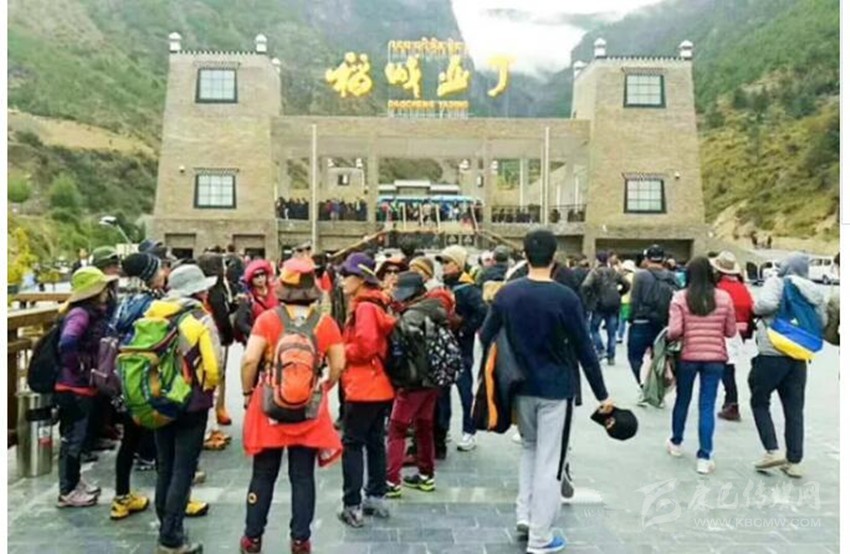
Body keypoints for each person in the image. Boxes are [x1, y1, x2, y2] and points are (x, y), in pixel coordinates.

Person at [480, 229, 612, 553]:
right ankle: (541, 536)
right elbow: (585, 348)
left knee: (529, 448)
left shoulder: (507, 294)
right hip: (556, 387)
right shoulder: (565, 297)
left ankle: (525, 515)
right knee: (551, 460)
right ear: (554, 258)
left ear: (524, 255)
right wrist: (602, 394)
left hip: (519, 386)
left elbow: (485, 335)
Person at [239, 259, 345, 554]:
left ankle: (252, 538)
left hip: (269, 406)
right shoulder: (325, 323)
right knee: (302, 476)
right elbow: (338, 364)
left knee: (263, 474)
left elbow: (249, 360)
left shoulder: (268, 320)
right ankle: (300, 540)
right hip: (308, 409)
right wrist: (323, 387)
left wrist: (247, 392)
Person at [146, 264, 221, 554]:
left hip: (158, 398)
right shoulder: (199, 318)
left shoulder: (153, 313)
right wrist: (209, 388)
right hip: (191, 401)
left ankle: (164, 523)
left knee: (165, 464)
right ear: (197, 291)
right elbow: (213, 366)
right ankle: (171, 537)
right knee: (184, 468)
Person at [749, 253, 826, 478]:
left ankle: (772, 450)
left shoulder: (777, 282)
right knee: (794, 408)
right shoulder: (814, 290)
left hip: (772, 350)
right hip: (799, 354)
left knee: (759, 400)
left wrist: (756, 308)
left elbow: (766, 304)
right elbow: (822, 321)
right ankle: (794, 461)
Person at [338, 253, 396, 527]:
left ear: (360, 279)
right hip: (379, 385)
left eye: (346, 276)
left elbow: (365, 347)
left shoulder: (364, 308)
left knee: (352, 444)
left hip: (363, 386)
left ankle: (352, 505)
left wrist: (340, 350)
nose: (342, 281)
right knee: (374, 442)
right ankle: (375, 496)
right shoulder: (377, 303)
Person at [665, 257, 736, 474]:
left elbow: (674, 331)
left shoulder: (680, 297)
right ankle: (704, 456)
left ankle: (676, 442)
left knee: (682, 399)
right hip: (715, 358)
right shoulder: (724, 297)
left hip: (688, 356)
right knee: (707, 405)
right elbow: (730, 331)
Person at [55, 267, 119, 508]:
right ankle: (67, 490)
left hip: (79, 386)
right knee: (73, 439)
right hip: (74, 387)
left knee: (77, 438)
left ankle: (73, 481)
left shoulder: (88, 313)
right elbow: (68, 341)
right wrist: (79, 367)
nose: (107, 292)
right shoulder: (80, 315)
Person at [109, 253, 166, 520]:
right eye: (159, 269)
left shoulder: (122, 303)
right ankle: (173, 500)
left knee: (129, 441)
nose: (163, 273)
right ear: (149, 275)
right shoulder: (154, 305)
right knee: (164, 438)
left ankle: (121, 497)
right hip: (149, 377)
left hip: (125, 378)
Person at [385, 271, 449, 498]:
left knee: (397, 429)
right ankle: (426, 476)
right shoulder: (436, 308)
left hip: (413, 382)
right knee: (424, 427)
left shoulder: (412, 316)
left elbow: (401, 352)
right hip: (433, 379)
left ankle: (391, 481)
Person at [436, 245, 487, 452]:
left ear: (458, 264)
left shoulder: (468, 288)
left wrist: (465, 328)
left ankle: (469, 431)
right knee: (442, 392)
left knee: (465, 391)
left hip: (461, 348)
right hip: (445, 347)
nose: (443, 266)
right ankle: (443, 428)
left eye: (447, 262)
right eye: (442, 262)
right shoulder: (445, 285)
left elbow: (483, 311)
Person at [628, 245, 680, 395]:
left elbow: (635, 299)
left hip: (642, 321)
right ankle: (659, 386)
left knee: (635, 356)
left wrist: (631, 318)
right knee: (661, 356)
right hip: (664, 324)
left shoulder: (640, 276)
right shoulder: (673, 277)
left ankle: (644, 385)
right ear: (663, 259)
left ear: (647, 259)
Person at [711, 252, 755, 422]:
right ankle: (730, 400)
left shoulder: (719, 289)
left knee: (725, 368)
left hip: (724, 331)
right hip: (741, 331)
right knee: (729, 366)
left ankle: (731, 402)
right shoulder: (743, 288)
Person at [581, 252, 631, 366]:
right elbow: (627, 284)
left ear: (598, 260)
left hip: (599, 304)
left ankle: (600, 349)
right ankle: (611, 356)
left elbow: (585, 285)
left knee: (594, 328)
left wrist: (590, 296)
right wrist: (620, 293)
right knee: (612, 332)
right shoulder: (614, 272)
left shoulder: (595, 272)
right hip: (613, 304)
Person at [235, 259, 279, 341]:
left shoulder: (276, 292)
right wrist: (257, 335)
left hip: (277, 335)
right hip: (259, 339)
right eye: (256, 276)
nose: (260, 278)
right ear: (251, 279)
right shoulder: (248, 298)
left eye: (262, 274)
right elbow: (241, 323)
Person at [617, 260, 637, 344]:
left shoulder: (626, 277)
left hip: (624, 300)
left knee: (622, 320)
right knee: (631, 320)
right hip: (632, 301)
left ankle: (620, 336)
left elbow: (619, 288)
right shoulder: (636, 277)